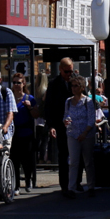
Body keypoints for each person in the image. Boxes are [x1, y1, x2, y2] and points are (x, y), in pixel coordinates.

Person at [64, 75, 102, 198]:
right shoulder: (68, 101)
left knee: (88, 161)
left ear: (82, 87)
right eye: (72, 86)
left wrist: (84, 133)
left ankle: (91, 186)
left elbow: (91, 120)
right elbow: (65, 116)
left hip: (86, 135)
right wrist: (65, 121)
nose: (73, 88)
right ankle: (72, 188)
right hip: (72, 134)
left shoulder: (88, 102)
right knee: (73, 161)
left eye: (76, 86)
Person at [45, 58, 75, 193]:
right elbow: (49, 106)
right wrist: (51, 125)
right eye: (67, 71)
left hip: (76, 124)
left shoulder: (76, 81)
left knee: (76, 155)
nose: (69, 74)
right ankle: (65, 185)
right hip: (60, 124)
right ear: (60, 70)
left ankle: (76, 182)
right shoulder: (54, 84)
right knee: (63, 155)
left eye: (71, 71)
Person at [9, 73, 37, 192]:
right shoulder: (9, 97)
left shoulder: (29, 98)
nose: (16, 85)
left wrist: (30, 107)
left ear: (23, 83)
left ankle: (28, 180)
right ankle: (16, 185)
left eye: (18, 82)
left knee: (27, 159)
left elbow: (36, 115)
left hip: (26, 133)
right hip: (12, 132)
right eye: (14, 82)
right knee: (14, 159)